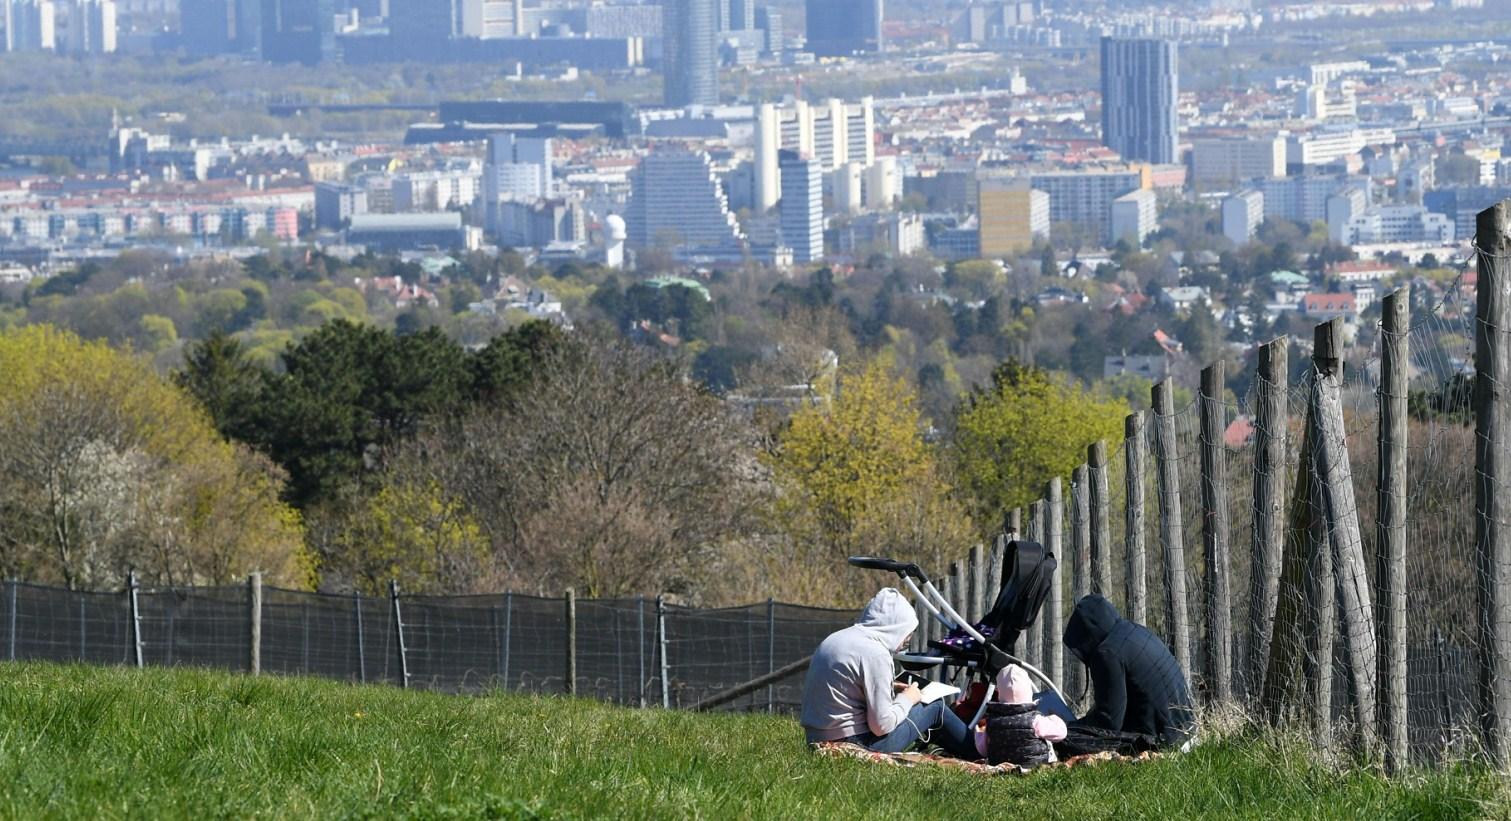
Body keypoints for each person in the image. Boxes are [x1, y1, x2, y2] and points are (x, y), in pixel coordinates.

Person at [800, 588, 977, 758]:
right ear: (895, 627)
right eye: (907, 634)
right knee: (935, 706)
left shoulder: (837, 638)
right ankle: (978, 752)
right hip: (853, 743)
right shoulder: (876, 653)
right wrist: (908, 698)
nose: (906, 640)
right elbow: (881, 725)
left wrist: (890, 687)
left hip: (816, 739)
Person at [1061, 594, 1195, 748]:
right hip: (1185, 732)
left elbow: (1108, 723)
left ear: (1085, 636)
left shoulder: (1107, 652)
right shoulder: (1135, 631)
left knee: (1066, 742)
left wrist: (1069, 729)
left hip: (1162, 743)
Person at [973, 664, 1067, 768]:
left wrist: (978, 734)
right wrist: (1054, 719)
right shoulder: (1035, 720)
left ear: (999, 692)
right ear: (1028, 690)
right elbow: (1061, 734)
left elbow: (982, 750)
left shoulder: (992, 722)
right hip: (1035, 767)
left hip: (1001, 766)